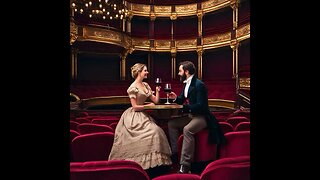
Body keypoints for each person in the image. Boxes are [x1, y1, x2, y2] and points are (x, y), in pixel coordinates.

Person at [108, 63, 172, 178]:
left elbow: (156, 101)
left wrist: (157, 91)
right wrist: (148, 106)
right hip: (134, 116)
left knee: (156, 131)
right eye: (145, 70)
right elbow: (135, 107)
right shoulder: (133, 87)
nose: (147, 72)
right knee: (152, 132)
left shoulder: (146, 85)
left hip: (143, 114)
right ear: (139, 72)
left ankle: (155, 167)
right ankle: (139, 166)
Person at [167, 61, 226, 173]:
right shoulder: (186, 83)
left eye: (180, 71)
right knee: (171, 124)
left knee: (187, 130)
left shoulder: (200, 85)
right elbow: (181, 99)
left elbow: (201, 106)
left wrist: (185, 108)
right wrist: (175, 98)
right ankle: (175, 154)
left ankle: (185, 165)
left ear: (186, 71)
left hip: (202, 117)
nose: (178, 74)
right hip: (191, 116)